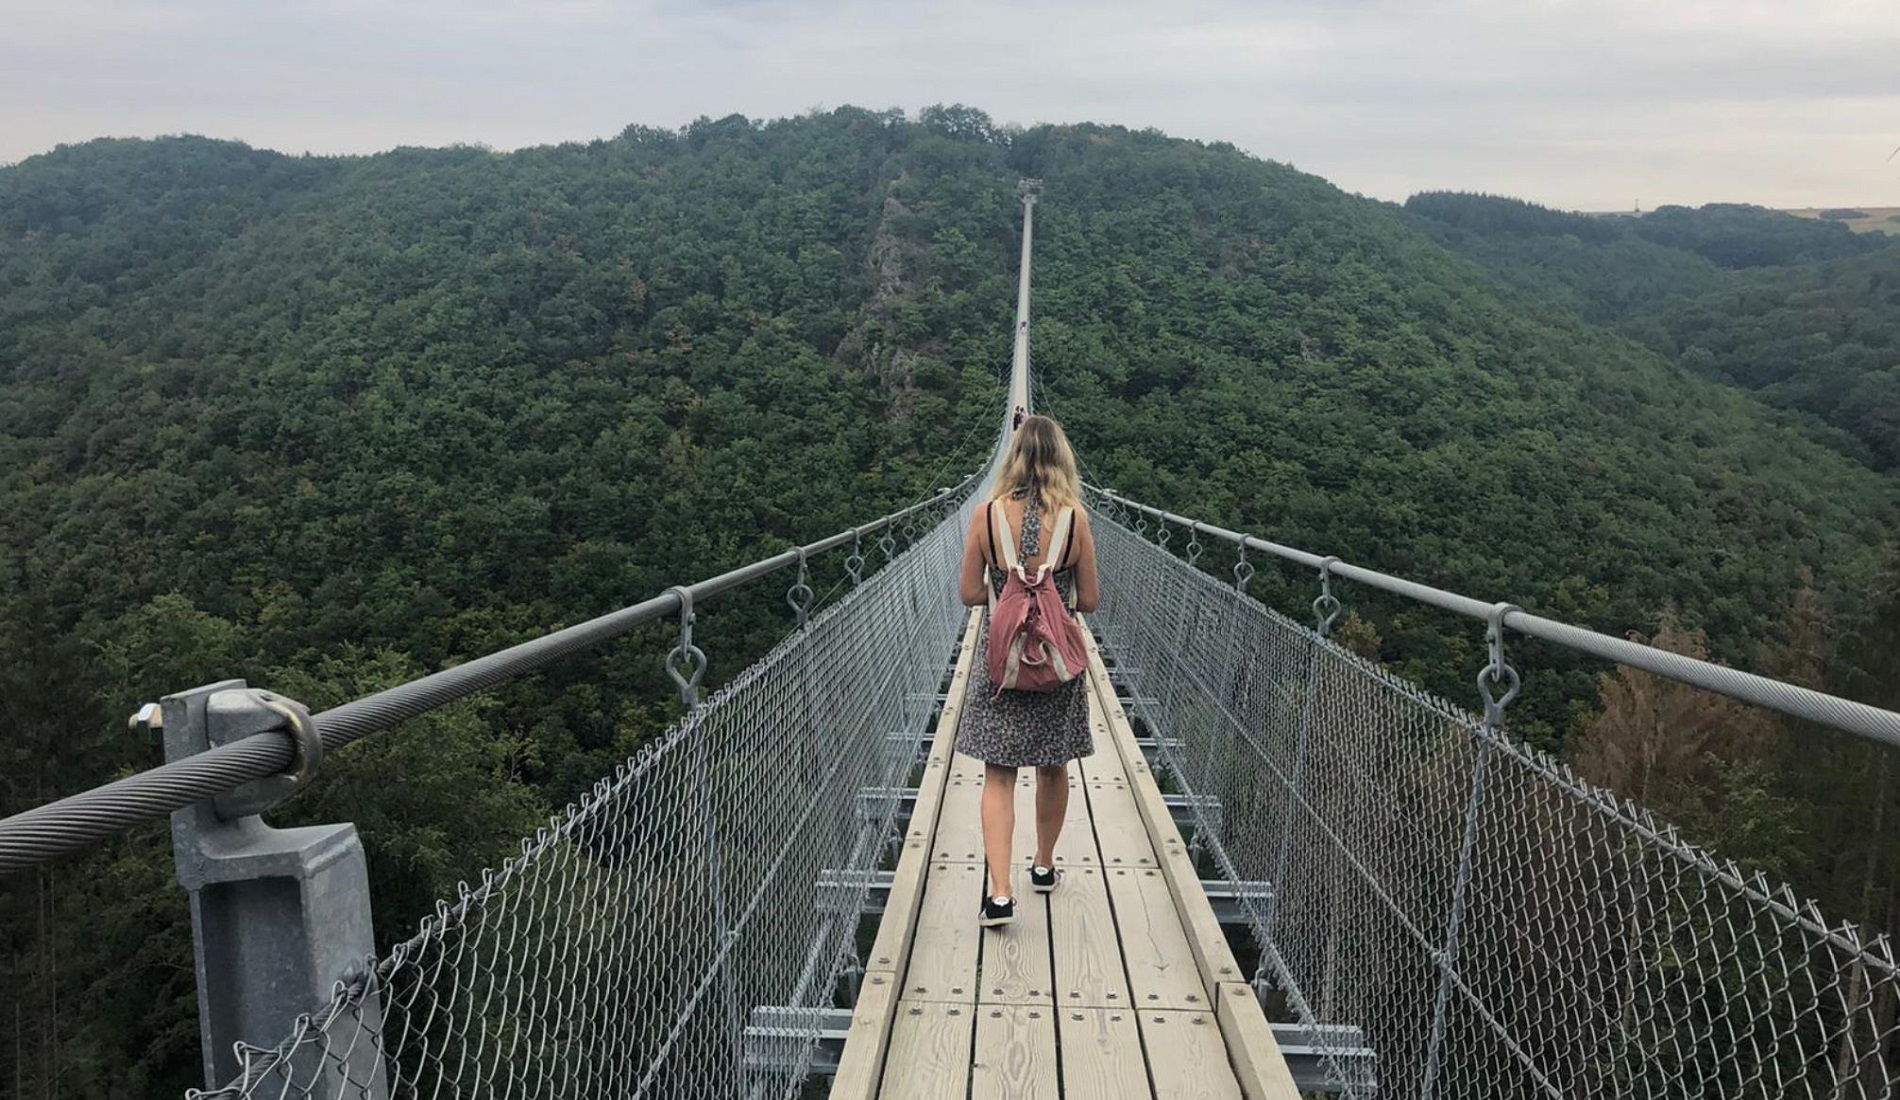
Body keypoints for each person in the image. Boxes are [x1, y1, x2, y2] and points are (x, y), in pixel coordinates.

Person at [956, 415, 1101, 927]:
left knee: (998, 774)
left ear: (1013, 456)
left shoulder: (985, 515)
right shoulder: (1075, 519)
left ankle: (999, 893)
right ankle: (1043, 865)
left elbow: (971, 594)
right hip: (1057, 664)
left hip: (1002, 662)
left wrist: (1009, 592)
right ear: (1061, 457)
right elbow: (1091, 600)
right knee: (1053, 763)